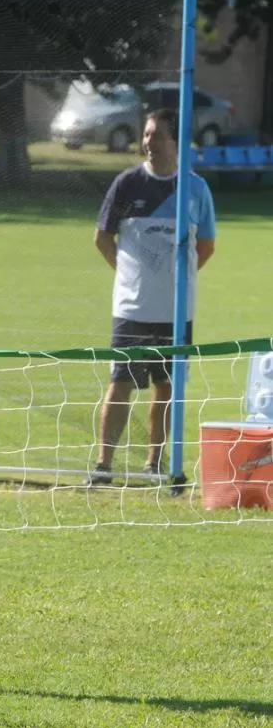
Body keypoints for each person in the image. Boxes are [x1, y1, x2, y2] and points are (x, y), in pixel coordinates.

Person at [90, 107, 216, 486]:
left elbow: (205, 247)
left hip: (176, 311)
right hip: (131, 309)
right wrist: (131, 275)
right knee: (121, 383)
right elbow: (101, 239)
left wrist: (173, 281)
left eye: (157, 136)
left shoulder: (195, 188)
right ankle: (103, 465)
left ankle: (154, 464)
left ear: (177, 142)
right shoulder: (127, 183)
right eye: (146, 135)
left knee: (166, 386)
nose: (148, 143)